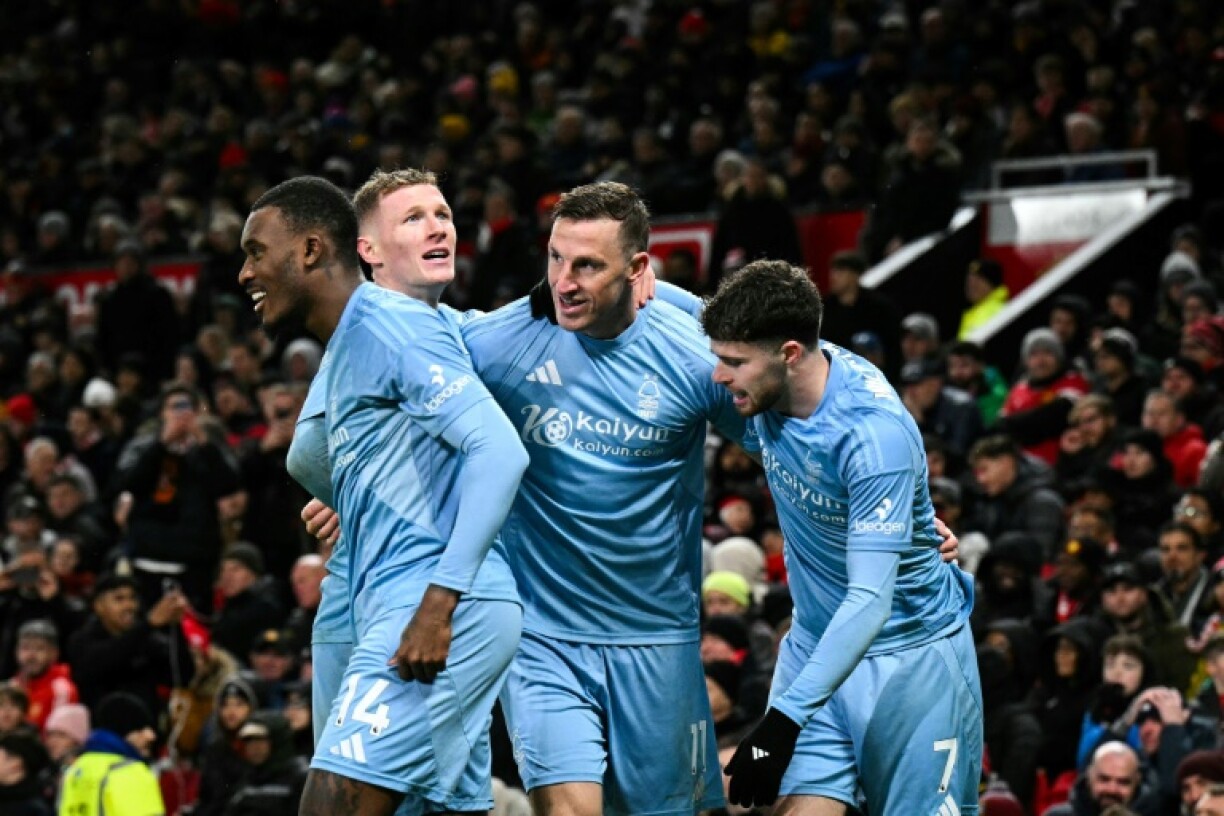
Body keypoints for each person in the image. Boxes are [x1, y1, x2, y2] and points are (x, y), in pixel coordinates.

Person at [239, 175, 527, 816]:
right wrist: (350, 498)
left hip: (431, 606)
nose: (244, 272)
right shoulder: (348, 345)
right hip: (390, 600)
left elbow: (500, 451)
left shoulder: (393, 326)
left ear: (312, 251)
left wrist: (437, 605)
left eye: (256, 251)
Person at [701, 259, 981, 814]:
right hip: (816, 647)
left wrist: (780, 722)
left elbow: (871, 599)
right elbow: (672, 310)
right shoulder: (770, 378)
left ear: (788, 354)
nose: (718, 375)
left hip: (910, 659)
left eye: (733, 363)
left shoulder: (872, 437)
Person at [58, 691, 165, 816]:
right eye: (140, 728)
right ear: (122, 732)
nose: (150, 736)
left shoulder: (75, 770)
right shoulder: (130, 772)